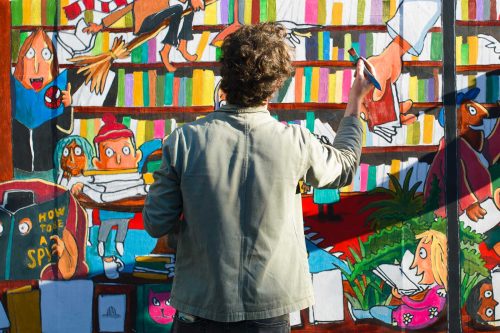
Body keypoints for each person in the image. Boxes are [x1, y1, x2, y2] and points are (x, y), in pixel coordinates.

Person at [143, 23, 373, 332]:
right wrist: (355, 100)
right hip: (267, 314)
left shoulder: (184, 141)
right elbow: (344, 166)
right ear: (277, 82)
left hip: (199, 308)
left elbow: (156, 222)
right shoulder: (295, 142)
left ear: (225, 75)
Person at [349, 230, 448, 330]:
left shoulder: (438, 292)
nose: (416, 260)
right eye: (418, 252)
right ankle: (361, 314)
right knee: (390, 309)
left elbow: (419, 305)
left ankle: (360, 315)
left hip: (409, 319)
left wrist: (403, 297)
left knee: (376, 310)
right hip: (410, 313)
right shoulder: (438, 288)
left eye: (422, 254)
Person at [77, 0, 205, 72]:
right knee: (178, 9)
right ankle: (165, 51)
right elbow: (124, 10)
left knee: (188, 9)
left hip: (160, 17)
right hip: (146, 23)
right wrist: (101, 26)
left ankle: (182, 45)